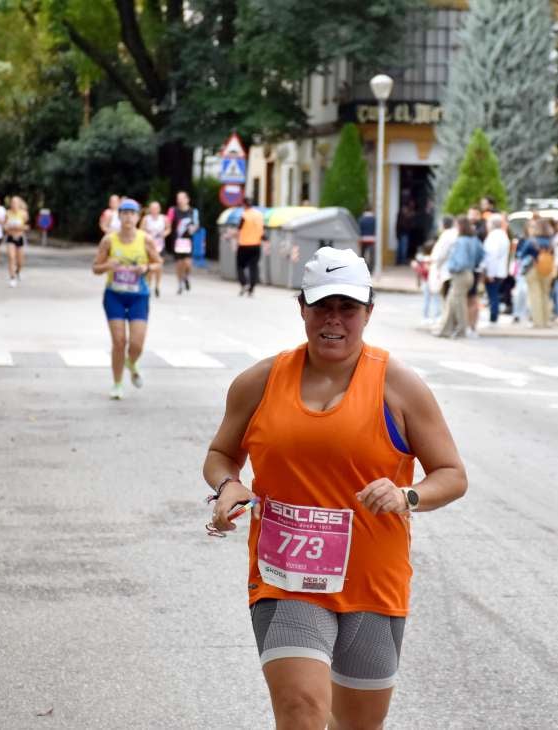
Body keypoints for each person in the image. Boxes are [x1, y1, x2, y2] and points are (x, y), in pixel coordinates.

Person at [203, 246, 467, 729]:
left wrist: (406, 495)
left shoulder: (398, 386)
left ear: (368, 312)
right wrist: (227, 486)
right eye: (323, 306)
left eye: (348, 308)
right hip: (285, 579)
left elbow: (452, 475)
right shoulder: (260, 382)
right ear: (302, 308)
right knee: (301, 709)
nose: (334, 320)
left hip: (373, 583)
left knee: (358, 725)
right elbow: (221, 454)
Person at [92, 199, 163, 400]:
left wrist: (147, 268)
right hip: (114, 295)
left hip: (139, 296)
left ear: (138, 217)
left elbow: (159, 263)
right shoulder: (109, 240)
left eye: (132, 213)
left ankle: (131, 362)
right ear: (119, 216)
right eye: (124, 213)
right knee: (119, 341)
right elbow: (95, 268)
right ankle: (117, 384)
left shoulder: (145, 239)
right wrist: (108, 266)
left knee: (137, 344)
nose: (128, 217)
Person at [437, 216, 485, 339]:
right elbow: (482, 254)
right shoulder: (474, 240)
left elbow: (461, 260)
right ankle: (445, 329)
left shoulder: (461, 241)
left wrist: (453, 268)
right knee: (451, 302)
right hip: (470, 273)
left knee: (458, 304)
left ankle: (461, 330)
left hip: (460, 274)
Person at [525, 217, 557, 328]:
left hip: (533, 268)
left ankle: (537, 321)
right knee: (546, 295)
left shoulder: (531, 241)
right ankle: (546, 320)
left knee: (535, 295)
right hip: (547, 269)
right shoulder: (552, 241)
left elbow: (521, 254)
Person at [167, 191, 199, 294]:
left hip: (188, 241)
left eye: (181, 198)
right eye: (178, 198)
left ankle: (186, 277)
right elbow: (168, 221)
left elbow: (196, 224)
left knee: (188, 263)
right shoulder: (173, 210)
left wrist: (193, 229)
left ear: (187, 199)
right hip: (177, 241)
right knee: (179, 264)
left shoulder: (193, 211)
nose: (179, 200)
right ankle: (180, 283)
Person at [427, 216, 456, 326]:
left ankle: (442, 319)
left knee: (443, 296)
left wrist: (434, 262)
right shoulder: (452, 234)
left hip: (444, 271)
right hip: (447, 270)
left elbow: (441, 254)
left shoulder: (446, 236)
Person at [482, 216, 510, 324]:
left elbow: (492, 256)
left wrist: (490, 273)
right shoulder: (503, 235)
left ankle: (493, 317)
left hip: (494, 271)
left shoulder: (494, 236)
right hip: (500, 270)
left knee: (493, 294)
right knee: (495, 294)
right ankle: (494, 315)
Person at [236, 197, 265, 296]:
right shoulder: (259, 215)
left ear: (244, 204)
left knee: (240, 266)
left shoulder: (244, 215)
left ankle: (244, 283)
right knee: (254, 267)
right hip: (256, 245)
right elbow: (262, 230)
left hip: (244, 245)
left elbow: (239, 229)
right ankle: (252, 288)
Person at [139, 200, 168, 298]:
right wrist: (147, 234)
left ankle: (157, 286)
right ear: (150, 209)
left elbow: (168, 228)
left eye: (156, 208)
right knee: (150, 267)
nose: (154, 210)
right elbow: (140, 231)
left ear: (159, 209)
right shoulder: (146, 219)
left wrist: (164, 233)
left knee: (159, 266)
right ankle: (148, 285)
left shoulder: (164, 218)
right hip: (149, 246)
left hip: (160, 245)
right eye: (152, 208)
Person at [5, 196, 29, 286]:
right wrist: (8, 228)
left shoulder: (23, 214)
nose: (14, 204)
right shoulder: (7, 213)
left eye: (16, 202)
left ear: (19, 204)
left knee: (20, 262)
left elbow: (27, 227)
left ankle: (18, 272)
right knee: (11, 258)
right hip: (10, 237)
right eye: (12, 202)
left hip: (20, 238)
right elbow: (4, 226)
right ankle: (12, 277)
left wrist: (19, 227)